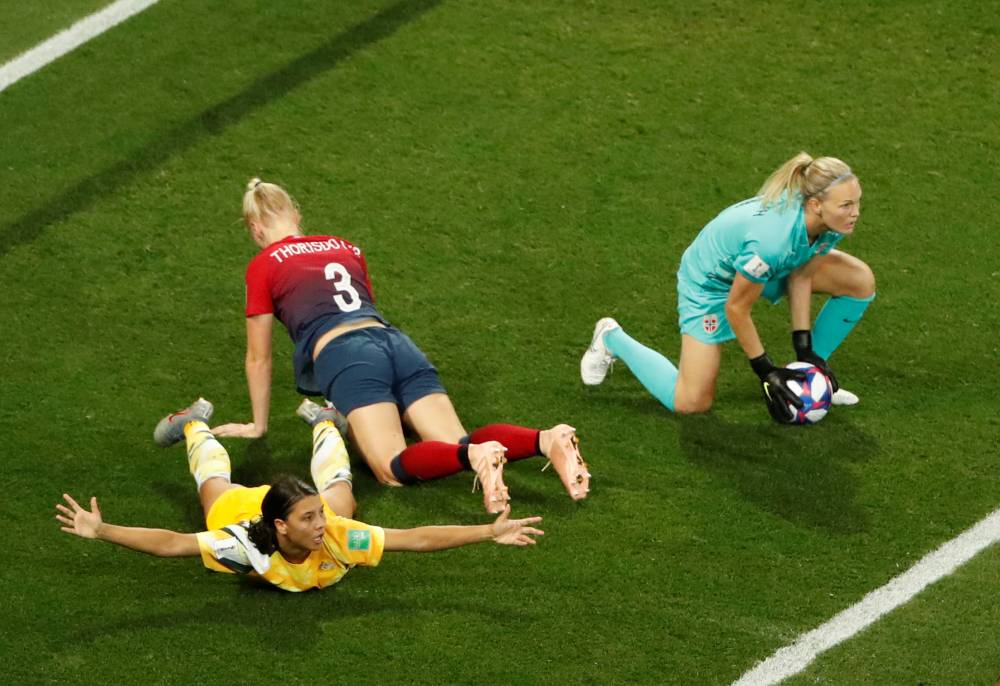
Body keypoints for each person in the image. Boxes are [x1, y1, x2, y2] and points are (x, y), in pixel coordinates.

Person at [209, 179, 589, 513]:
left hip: (346, 355)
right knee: (451, 441)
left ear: (255, 229)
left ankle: (475, 455)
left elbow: (259, 357)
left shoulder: (263, 264)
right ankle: (545, 438)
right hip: (395, 342)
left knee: (392, 468)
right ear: (295, 213)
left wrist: (258, 425)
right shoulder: (346, 247)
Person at [54, 399, 544, 593]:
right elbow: (172, 544)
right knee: (214, 490)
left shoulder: (333, 530)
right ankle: (194, 424)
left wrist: (488, 532)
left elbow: (414, 538)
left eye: (318, 516)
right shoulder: (244, 541)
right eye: (310, 519)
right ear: (282, 527)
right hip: (244, 507)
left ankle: (326, 420)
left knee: (341, 495)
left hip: (285, 515)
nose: (322, 523)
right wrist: (102, 530)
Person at [580, 152, 876, 422]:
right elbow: (737, 307)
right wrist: (765, 370)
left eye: (857, 201)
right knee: (691, 402)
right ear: (815, 205)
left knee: (858, 281)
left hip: (772, 267)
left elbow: (801, 274)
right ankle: (611, 338)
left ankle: (812, 378)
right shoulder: (771, 241)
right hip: (711, 284)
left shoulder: (829, 223)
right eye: (847, 205)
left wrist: (806, 350)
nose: (856, 212)